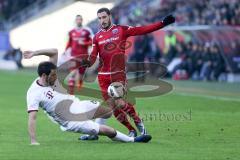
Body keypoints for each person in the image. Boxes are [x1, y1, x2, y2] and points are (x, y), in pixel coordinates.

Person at [23, 49, 152, 145]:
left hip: (78, 104)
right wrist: (33, 140)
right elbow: (32, 118)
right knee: (108, 131)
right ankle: (133, 140)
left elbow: (54, 52)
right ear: (44, 76)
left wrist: (34, 53)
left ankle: (92, 135)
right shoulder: (34, 93)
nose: (56, 77)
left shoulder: (51, 75)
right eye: (53, 76)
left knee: (107, 112)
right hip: (70, 120)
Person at [81, 8, 175, 139]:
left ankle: (139, 124)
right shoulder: (97, 37)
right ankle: (130, 130)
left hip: (117, 74)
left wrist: (162, 23)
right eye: (99, 18)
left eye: (104, 17)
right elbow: (92, 57)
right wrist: (85, 62)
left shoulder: (121, 29)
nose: (102, 20)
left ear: (109, 16)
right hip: (103, 76)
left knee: (120, 102)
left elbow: (142, 30)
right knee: (112, 107)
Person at [65, 15, 93, 94]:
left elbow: (92, 42)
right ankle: (71, 93)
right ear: (75, 21)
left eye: (80, 19)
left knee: (81, 74)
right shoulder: (71, 32)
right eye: (77, 19)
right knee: (73, 72)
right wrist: (65, 50)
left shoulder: (87, 31)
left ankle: (80, 83)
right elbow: (69, 43)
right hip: (73, 55)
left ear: (82, 20)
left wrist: (84, 43)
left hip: (83, 56)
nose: (79, 21)